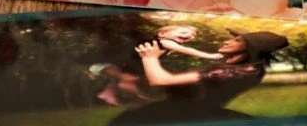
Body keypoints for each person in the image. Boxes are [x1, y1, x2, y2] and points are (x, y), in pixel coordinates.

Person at [109, 30, 289, 124]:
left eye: (237, 40)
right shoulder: (235, 66)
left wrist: (149, 58)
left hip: (187, 114)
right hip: (184, 110)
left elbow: (161, 80)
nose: (228, 41)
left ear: (251, 49)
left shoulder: (242, 70)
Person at [92, 24, 223, 106]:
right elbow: (187, 50)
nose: (189, 35)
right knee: (128, 79)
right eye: (183, 32)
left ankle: (109, 94)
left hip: (119, 65)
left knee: (130, 80)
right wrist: (210, 56)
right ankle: (135, 98)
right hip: (107, 63)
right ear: (162, 34)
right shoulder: (165, 42)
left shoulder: (167, 46)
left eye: (192, 35)